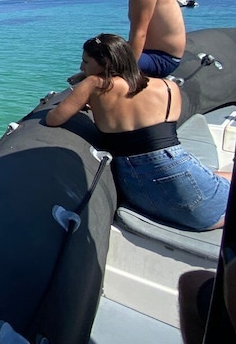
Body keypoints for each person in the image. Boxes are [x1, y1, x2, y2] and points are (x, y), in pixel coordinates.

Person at [47, 34, 230, 231]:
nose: (81, 68)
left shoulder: (94, 85)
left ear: (105, 63)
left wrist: (85, 92)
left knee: (219, 176)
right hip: (183, 180)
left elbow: (53, 119)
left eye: (85, 61)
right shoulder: (170, 87)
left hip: (136, 189)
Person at [105, 0, 186, 77]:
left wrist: (129, 69)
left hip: (162, 58)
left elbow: (140, 34)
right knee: (99, 54)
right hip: (154, 53)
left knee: (103, 66)